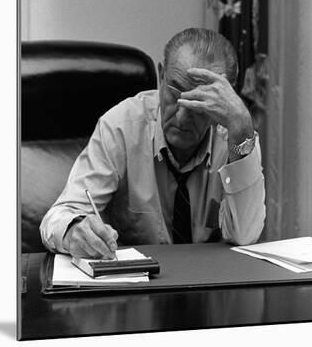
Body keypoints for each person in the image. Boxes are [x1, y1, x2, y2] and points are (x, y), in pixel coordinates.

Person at [40, 28, 265, 258]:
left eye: (200, 102)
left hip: (209, 284)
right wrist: (74, 231)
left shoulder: (236, 136)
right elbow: (59, 215)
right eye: (175, 92)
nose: (181, 117)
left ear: (225, 98)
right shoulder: (121, 126)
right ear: (160, 76)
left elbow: (245, 236)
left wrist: (242, 127)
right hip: (135, 285)